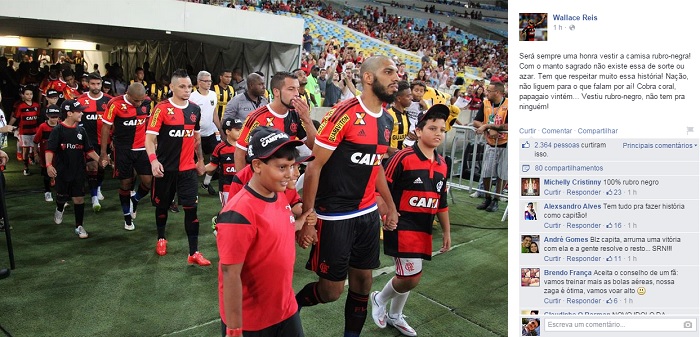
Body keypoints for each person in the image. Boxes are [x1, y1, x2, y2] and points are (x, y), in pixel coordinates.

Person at [295, 55, 400, 337]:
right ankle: (291, 308)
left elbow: (375, 163)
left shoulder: (388, 120)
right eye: (388, 71)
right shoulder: (344, 114)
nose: (396, 77)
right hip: (334, 215)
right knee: (330, 291)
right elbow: (315, 165)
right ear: (368, 78)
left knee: (363, 284)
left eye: (397, 72)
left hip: (366, 214)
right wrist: (307, 218)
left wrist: (389, 204)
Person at [216, 127, 315, 337]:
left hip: (285, 309)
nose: (290, 175)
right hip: (252, 322)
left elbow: (277, 231)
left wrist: (300, 223)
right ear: (258, 165)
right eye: (282, 167)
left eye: (292, 166)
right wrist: (234, 330)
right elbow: (230, 274)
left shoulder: (278, 194)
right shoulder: (238, 214)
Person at [370, 105, 451, 337]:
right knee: (411, 277)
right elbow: (380, 187)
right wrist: (386, 214)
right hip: (401, 225)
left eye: (442, 130)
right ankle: (379, 298)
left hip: (423, 228)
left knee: (410, 274)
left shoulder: (443, 163)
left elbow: (441, 201)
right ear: (418, 130)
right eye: (432, 128)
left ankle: (395, 315)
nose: (438, 133)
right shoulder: (403, 157)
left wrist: (446, 231)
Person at [145, 69, 210, 266]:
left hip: (188, 170)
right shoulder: (161, 109)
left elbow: (196, 138)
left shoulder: (194, 109)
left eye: (189, 86)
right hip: (166, 169)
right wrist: (154, 161)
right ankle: (161, 238)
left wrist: (200, 160)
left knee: (192, 209)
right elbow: (149, 139)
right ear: (171, 87)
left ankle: (194, 252)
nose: (187, 90)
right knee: (162, 206)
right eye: (182, 86)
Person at [232, 71, 315, 172]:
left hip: (285, 176)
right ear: (276, 92)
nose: (296, 94)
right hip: (261, 179)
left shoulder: (296, 115)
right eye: (291, 89)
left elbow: (313, 146)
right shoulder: (256, 118)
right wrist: (242, 183)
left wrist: (307, 120)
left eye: (297, 89)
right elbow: (240, 152)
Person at [101, 83, 152, 231]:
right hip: (122, 149)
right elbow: (106, 127)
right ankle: (127, 218)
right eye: (136, 100)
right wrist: (103, 152)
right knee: (125, 183)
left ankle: (134, 200)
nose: (139, 103)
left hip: (142, 148)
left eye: (141, 100)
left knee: (148, 182)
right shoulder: (115, 103)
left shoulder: (147, 102)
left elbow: (148, 123)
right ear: (128, 94)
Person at [46, 99, 100, 239]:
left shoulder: (81, 130)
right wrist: (48, 165)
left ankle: (79, 226)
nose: (81, 113)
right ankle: (59, 208)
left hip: (78, 171)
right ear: (69, 113)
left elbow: (89, 150)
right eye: (79, 111)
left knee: (79, 199)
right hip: (62, 171)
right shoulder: (58, 130)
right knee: (62, 197)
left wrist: (100, 160)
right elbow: (50, 150)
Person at [78, 73, 113, 211]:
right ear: (87, 83)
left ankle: (98, 188)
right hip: (88, 141)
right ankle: (93, 197)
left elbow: (115, 122)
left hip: (104, 140)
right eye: (92, 84)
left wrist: (114, 139)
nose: (96, 87)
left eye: (98, 84)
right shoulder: (80, 100)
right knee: (92, 166)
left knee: (102, 167)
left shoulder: (110, 101)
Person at [473, 82, 508, 212]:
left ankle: (496, 200)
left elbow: (509, 125)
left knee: (501, 174)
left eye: (489, 90)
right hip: (490, 143)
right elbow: (476, 121)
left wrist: (488, 126)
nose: (486, 92)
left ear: (497, 93)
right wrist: (485, 127)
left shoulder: (509, 104)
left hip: (505, 144)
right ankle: (487, 197)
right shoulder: (486, 103)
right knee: (486, 172)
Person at [189, 71, 221, 196]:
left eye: (210, 81)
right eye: (206, 81)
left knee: (216, 160)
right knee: (191, 163)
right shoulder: (192, 97)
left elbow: (214, 114)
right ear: (199, 82)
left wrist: (221, 131)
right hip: (195, 136)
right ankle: (190, 188)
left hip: (211, 133)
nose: (209, 83)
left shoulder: (213, 94)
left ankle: (206, 183)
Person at [206, 117, 242, 206]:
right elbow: (212, 165)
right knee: (228, 212)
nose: (240, 132)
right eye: (237, 130)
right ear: (228, 132)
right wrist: (196, 168)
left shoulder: (246, 147)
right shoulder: (220, 148)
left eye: (241, 129)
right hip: (226, 187)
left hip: (243, 186)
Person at [9, 86, 40, 176]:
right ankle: (26, 167)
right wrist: (9, 126)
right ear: (23, 95)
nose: (29, 96)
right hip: (24, 132)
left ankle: (35, 160)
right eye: (27, 94)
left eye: (31, 94)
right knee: (25, 150)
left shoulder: (36, 106)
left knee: (36, 149)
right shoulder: (20, 106)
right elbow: (15, 117)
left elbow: (38, 118)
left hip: (34, 131)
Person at [33, 104, 61, 202]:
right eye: (52, 117)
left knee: (59, 173)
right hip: (45, 155)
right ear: (47, 116)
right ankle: (47, 192)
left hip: (58, 155)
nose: (54, 119)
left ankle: (59, 193)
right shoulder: (43, 127)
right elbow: (36, 141)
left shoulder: (61, 125)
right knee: (46, 174)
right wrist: (35, 154)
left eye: (56, 117)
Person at [386, 80, 411, 156]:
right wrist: (391, 150)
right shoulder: (388, 114)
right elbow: (380, 139)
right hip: (389, 159)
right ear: (399, 98)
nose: (411, 98)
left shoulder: (406, 114)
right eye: (408, 96)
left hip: (402, 157)